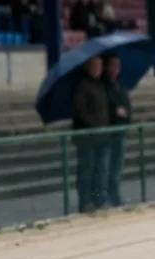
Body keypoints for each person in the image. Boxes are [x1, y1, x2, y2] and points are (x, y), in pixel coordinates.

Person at [71, 55, 109, 212]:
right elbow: (80, 110)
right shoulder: (82, 85)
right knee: (86, 169)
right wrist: (94, 125)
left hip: (101, 136)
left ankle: (99, 199)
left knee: (100, 169)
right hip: (87, 136)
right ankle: (85, 201)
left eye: (100, 66)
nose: (98, 69)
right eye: (95, 66)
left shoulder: (100, 85)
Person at [102, 53, 130, 207]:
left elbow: (128, 105)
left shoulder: (120, 84)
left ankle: (115, 195)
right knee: (107, 167)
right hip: (109, 132)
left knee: (117, 167)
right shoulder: (104, 86)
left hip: (121, 131)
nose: (115, 69)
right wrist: (115, 112)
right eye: (113, 65)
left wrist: (126, 114)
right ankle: (105, 196)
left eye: (117, 66)